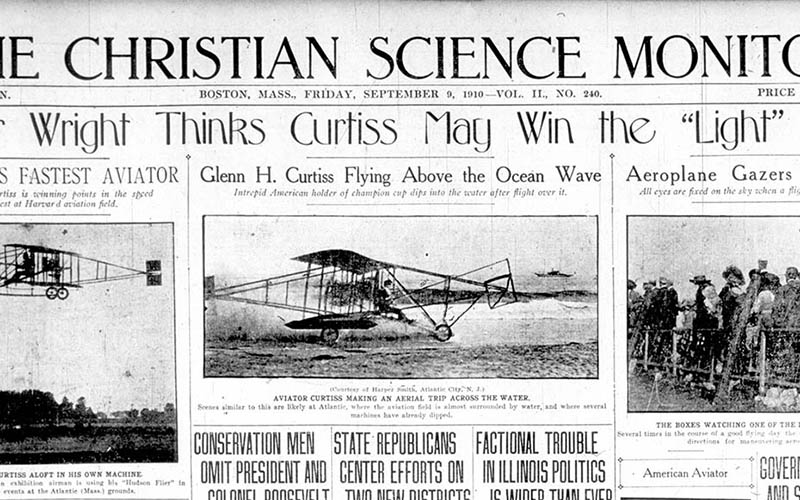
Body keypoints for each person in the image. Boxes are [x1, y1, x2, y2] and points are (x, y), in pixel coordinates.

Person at [689, 274, 720, 369]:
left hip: (707, 319)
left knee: (707, 340)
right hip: (704, 317)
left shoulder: (707, 289)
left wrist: (710, 311)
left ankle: (705, 362)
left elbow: (711, 303)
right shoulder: (704, 289)